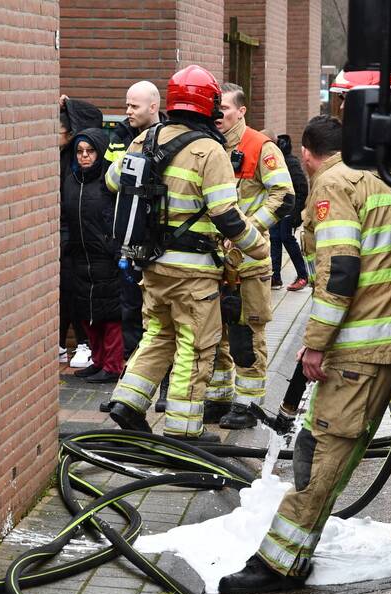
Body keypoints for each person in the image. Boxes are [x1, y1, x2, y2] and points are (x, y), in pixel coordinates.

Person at [219, 115, 391, 594]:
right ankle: (291, 553)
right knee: (339, 453)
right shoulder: (386, 177)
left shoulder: (333, 184)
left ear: (307, 153)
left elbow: (340, 271)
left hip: (356, 348)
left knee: (320, 451)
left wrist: (315, 343)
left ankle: (279, 563)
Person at [104, 65, 269, 443]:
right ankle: (183, 432)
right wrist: (256, 246)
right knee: (194, 348)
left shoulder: (146, 138)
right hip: (193, 274)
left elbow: (114, 180)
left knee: (158, 335)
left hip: (152, 266)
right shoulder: (210, 150)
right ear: (208, 105)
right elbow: (226, 214)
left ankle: (126, 403)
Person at [203, 83, 295, 430]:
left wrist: (249, 230)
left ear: (241, 110)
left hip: (249, 263)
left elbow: (283, 195)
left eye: (225, 108)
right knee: (216, 333)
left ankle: (249, 405)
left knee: (246, 334)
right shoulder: (209, 146)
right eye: (216, 109)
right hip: (214, 261)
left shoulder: (260, 146)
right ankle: (219, 398)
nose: (219, 115)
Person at [104, 81, 171, 411]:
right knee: (130, 314)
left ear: (154, 106)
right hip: (130, 242)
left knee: (159, 321)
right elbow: (111, 181)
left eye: (134, 106)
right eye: (127, 105)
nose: (128, 111)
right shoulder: (124, 138)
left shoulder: (167, 140)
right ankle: (129, 391)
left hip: (158, 245)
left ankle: (166, 390)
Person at [61, 128, 124, 383]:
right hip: (79, 255)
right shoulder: (71, 180)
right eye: (79, 152)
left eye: (89, 152)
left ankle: (112, 365)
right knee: (89, 313)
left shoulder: (106, 182)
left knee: (110, 315)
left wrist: (113, 246)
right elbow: (65, 215)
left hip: (105, 256)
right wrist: (66, 243)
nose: (83, 157)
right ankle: (98, 361)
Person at [58, 95, 104, 369]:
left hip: (83, 237)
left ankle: (86, 344)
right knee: (65, 290)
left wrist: (68, 103)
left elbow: (92, 114)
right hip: (67, 236)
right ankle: (62, 343)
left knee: (79, 290)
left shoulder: (75, 160)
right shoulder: (62, 157)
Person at [268, 132, 310, 292]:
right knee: (275, 239)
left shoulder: (290, 162)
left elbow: (302, 188)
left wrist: (295, 213)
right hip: (275, 210)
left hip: (287, 211)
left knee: (287, 238)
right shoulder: (275, 160)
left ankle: (303, 275)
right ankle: (275, 277)